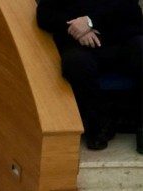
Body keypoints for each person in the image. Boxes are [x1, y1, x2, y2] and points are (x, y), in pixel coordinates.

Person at [37, 0, 143, 150]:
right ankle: (98, 124)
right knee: (75, 63)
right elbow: (44, 16)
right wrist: (75, 28)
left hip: (122, 40)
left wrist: (90, 21)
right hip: (80, 44)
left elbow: (130, 9)